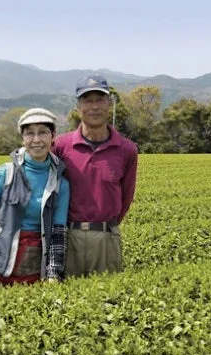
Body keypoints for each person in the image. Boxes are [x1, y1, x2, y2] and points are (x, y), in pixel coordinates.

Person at [0, 108, 70, 288]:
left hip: (35, 265)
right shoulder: (3, 174)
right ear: (22, 138)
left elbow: (57, 233)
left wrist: (53, 273)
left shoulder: (61, 183)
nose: (36, 140)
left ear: (53, 136)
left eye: (43, 132)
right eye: (30, 133)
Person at [53, 74, 138, 277]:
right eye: (87, 100)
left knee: (108, 302)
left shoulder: (127, 149)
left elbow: (126, 197)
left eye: (100, 99)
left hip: (107, 237)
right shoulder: (61, 146)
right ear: (78, 106)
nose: (94, 107)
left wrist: (106, 227)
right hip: (69, 236)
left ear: (109, 103)